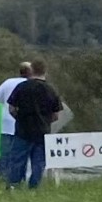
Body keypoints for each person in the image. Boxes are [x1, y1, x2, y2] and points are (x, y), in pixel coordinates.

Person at [5, 59, 62, 189]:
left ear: (31, 70)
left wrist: (19, 118)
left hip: (23, 130)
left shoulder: (22, 87)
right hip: (42, 131)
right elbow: (56, 115)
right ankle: (34, 187)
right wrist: (45, 121)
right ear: (45, 71)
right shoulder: (51, 89)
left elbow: (11, 108)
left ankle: (14, 185)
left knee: (18, 160)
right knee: (38, 162)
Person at [0, 63, 31, 181]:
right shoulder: (31, 85)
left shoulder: (8, 82)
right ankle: (18, 179)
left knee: (5, 155)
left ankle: (2, 179)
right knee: (20, 156)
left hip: (6, 124)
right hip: (24, 126)